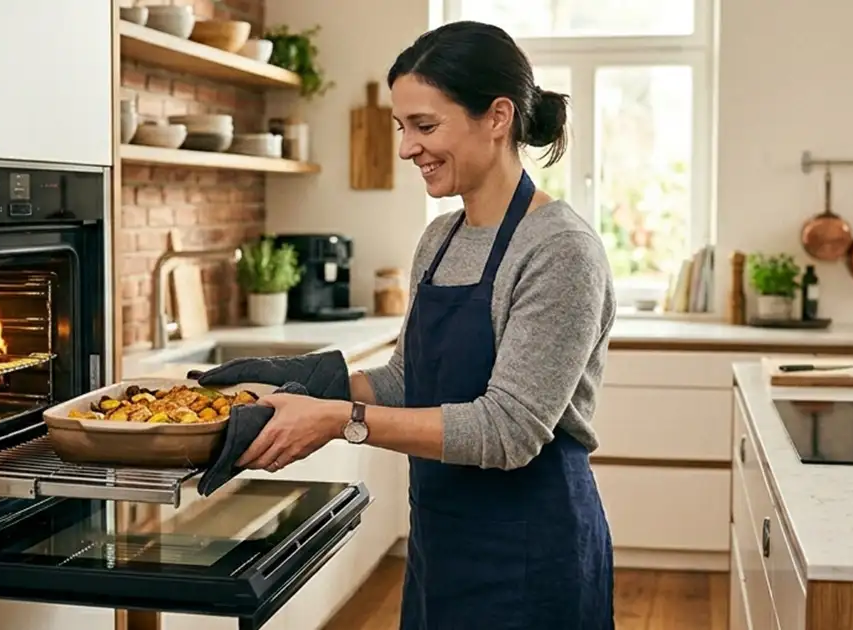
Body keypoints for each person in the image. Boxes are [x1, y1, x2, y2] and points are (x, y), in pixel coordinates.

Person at [211, 20, 617, 629]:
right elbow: (410, 381)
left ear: (498, 117)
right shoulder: (439, 239)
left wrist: (337, 421)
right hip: (442, 543)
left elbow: (508, 431)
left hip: (532, 552)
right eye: (403, 128)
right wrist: (307, 380)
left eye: (425, 126)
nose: (406, 148)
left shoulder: (559, 250)